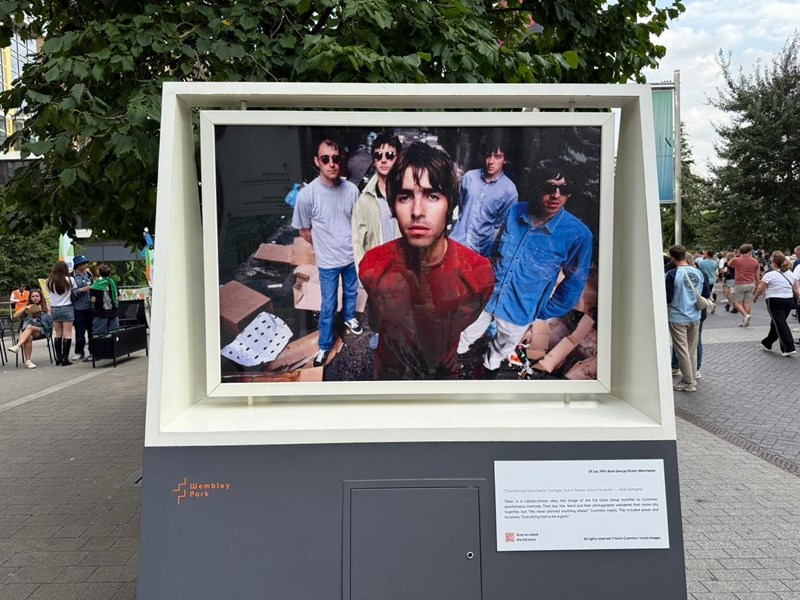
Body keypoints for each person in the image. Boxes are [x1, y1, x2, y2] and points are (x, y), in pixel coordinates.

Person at [359, 142, 494, 380]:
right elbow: (377, 317)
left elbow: (462, 322)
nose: (417, 211)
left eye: (432, 195)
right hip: (389, 374)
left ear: (450, 205)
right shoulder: (373, 265)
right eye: (405, 196)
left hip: (440, 375)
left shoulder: (477, 275)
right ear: (392, 206)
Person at [457, 159, 593, 377]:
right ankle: (451, 371)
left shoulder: (577, 235)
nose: (556, 195)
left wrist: (542, 311)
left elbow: (574, 283)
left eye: (564, 189)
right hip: (487, 298)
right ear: (536, 188)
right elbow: (494, 251)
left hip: (519, 311)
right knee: (461, 337)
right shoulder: (514, 212)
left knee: (499, 352)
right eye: (549, 188)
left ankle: (486, 372)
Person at [292, 138, 363, 367]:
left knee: (351, 293)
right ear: (317, 162)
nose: (331, 164)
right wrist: (323, 244)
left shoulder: (351, 190)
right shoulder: (307, 195)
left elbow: (359, 222)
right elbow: (303, 229)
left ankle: (350, 317)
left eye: (335, 159)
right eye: (326, 159)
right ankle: (324, 346)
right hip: (328, 262)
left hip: (350, 258)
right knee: (329, 305)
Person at [449, 133, 519, 257]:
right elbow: (462, 207)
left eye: (497, 157)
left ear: (506, 159)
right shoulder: (469, 177)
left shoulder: (510, 191)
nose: (491, 162)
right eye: (488, 156)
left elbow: (499, 226)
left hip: (480, 252)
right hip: (456, 243)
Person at [352, 132, 402, 267]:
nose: (383, 160)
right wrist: (364, 275)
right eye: (378, 155)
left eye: (390, 155)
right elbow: (357, 243)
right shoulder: (364, 201)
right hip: (378, 272)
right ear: (373, 160)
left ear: (397, 158)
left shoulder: (408, 194)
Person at [665, 244, 709, 392]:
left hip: (677, 316)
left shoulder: (671, 274)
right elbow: (706, 294)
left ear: (672, 257)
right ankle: (692, 377)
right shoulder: (699, 272)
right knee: (691, 349)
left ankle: (688, 381)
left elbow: (669, 298)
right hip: (695, 315)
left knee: (681, 350)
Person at [753, 251, 798, 356]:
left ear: (773, 262)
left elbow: (760, 289)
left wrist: (755, 297)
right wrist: (798, 298)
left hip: (774, 300)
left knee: (780, 322)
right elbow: (796, 288)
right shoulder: (791, 274)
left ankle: (789, 347)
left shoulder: (769, 275)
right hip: (788, 300)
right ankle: (767, 342)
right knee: (777, 322)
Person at [8, 290, 53, 369]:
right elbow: (15, 316)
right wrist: (25, 308)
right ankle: (28, 361)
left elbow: (49, 321)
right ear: (30, 298)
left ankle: (17, 346)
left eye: (37, 296)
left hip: (41, 330)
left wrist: (40, 312)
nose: (35, 298)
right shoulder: (28, 306)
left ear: (40, 297)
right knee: (29, 337)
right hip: (29, 332)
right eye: (33, 296)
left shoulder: (46, 306)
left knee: (30, 327)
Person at [46, 261, 77, 366]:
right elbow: (75, 290)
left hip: (54, 308)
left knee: (58, 334)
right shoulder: (70, 280)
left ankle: (58, 358)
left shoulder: (48, 281)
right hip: (67, 307)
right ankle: (65, 359)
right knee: (67, 334)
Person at [728, 243, 760, 326]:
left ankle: (746, 315)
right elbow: (757, 274)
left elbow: (729, 264)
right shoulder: (754, 260)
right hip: (750, 283)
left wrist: (737, 255)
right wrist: (757, 285)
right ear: (749, 251)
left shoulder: (736, 260)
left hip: (740, 284)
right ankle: (745, 320)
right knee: (746, 302)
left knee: (736, 302)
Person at [70, 255, 94, 362]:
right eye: (84, 264)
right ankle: (79, 352)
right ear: (78, 265)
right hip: (78, 308)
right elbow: (70, 293)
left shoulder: (89, 274)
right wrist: (82, 290)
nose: (86, 265)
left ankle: (93, 351)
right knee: (80, 331)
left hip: (90, 307)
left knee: (92, 331)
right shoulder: (71, 277)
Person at [90, 264, 120, 335]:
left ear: (99, 273)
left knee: (100, 335)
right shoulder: (112, 283)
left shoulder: (96, 284)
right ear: (109, 273)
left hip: (100, 313)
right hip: (113, 313)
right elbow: (118, 297)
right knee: (114, 335)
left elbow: (93, 300)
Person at [696, 249, 718, 313]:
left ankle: (709, 304)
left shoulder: (702, 262)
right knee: (709, 292)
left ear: (707, 254)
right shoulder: (715, 263)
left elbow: (699, 269)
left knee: (703, 294)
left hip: (704, 279)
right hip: (711, 279)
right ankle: (711, 303)